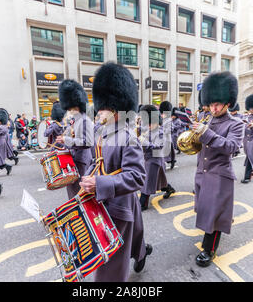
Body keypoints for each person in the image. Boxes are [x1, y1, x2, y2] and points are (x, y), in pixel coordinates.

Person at [79, 62, 151, 282]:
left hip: (118, 205)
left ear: (116, 107)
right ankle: (141, 252)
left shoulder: (128, 137)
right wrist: (88, 180)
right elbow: (97, 162)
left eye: (103, 107)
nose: (99, 111)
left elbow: (137, 177)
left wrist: (99, 184)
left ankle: (138, 253)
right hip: (103, 200)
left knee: (109, 266)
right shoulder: (102, 133)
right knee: (131, 237)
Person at [191, 71, 243, 267]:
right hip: (202, 172)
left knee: (215, 214)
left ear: (228, 103)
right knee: (204, 209)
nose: (213, 108)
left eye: (217, 104)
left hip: (220, 174)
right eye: (211, 104)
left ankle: (209, 250)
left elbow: (232, 147)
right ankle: (208, 238)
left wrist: (207, 133)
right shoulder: (207, 118)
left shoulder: (235, 124)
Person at [55, 80, 94, 200]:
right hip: (73, 161)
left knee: (80, 195)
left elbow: (88, 142)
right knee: (73, 194)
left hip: (81, 163)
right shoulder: (75, 120)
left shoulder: (84, 120)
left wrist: (66, 140)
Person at [138, 105, 176, 211]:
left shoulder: (160, 132)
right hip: (147, 159)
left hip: (154, 161)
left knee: (147, 183)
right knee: (159, 181)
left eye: (150, 123)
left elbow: (158, 148)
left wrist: (145, 142)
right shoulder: (148, 130)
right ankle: (169, 189)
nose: (148, 125)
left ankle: (143, 203)